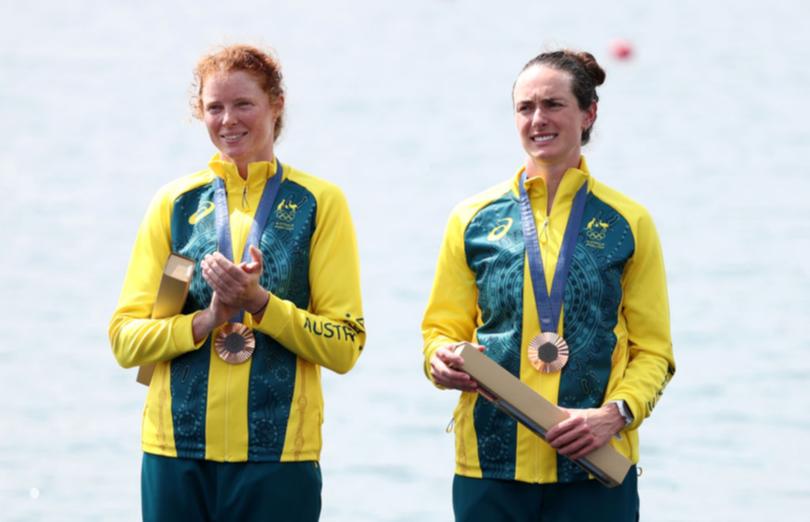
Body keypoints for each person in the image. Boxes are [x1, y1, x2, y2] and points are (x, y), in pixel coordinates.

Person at [109, 44, 365, 522]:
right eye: (214, 107)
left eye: (244, 103)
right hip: (174, 450)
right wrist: (207, 320)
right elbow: (126, 342)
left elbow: (346, 345)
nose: (229, 120)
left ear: (276, 104)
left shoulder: (319, 203)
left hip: (279, 456)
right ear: (200, 113)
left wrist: (261, 304)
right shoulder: (174, 204)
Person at [421, 49, 675, 521]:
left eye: (554, 104)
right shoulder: (471, 219)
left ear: (588, 113)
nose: (538, 119)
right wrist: (437, 360)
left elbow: (654, 352)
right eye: (525, 107)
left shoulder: (629, 223)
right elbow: (440, 329)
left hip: (593, 468)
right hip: (488, 468)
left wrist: (614, 415)